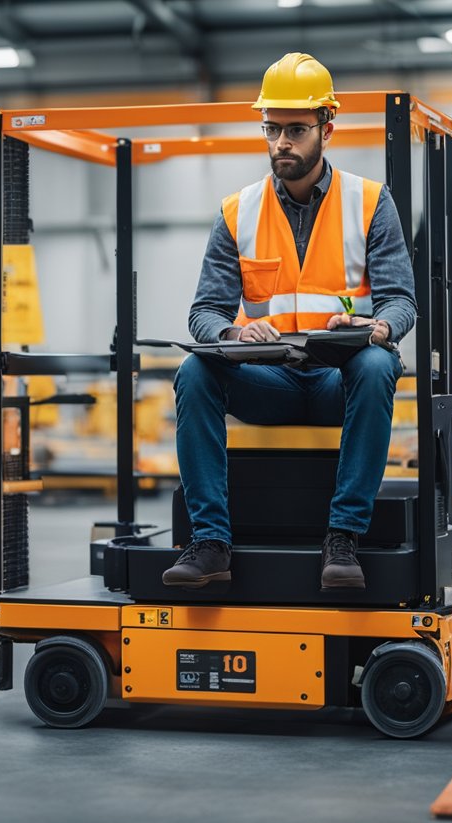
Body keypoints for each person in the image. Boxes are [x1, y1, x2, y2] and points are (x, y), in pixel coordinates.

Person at [162, 53, 416, 592]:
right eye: (272, 129)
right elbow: (204, 312)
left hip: (337, 382)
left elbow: (401, 302)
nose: (282, 142)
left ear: (327, 128)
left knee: (377, 364)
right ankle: (210, 542)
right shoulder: (237, 211)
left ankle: (343, 537)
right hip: (268, 383)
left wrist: (380, 330)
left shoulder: (371, 203)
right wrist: (233, 332)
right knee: (193, 373)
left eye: (296, 130)